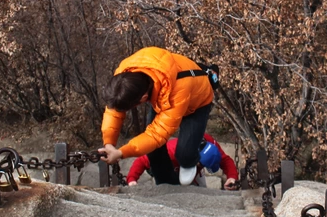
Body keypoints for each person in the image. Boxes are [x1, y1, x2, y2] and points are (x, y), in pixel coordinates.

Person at [98, 47, 215, 186]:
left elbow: (156, 135)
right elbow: (114, 110)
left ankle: (188, 162)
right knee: (153, 151)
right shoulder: (124, 76)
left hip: (197, 101)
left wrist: (122, 152)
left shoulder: (177, 89)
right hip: (164, 94)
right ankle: (167, 186)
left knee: (185, 153)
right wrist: (109, 142)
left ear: (144, 97)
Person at [127, 133, 239, 189]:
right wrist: (132, 180)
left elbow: (225, 160)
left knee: (201, 192)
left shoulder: (210, 143)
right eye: (201, 164)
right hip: (169, 168)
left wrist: (232, 177)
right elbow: (141, 161)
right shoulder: (171, 151)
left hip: (193, 171)